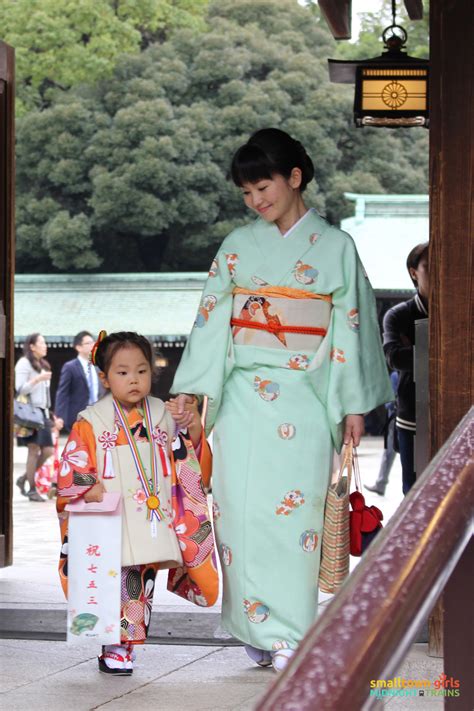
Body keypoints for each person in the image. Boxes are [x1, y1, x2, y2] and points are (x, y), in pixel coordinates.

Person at [170, 128, 393, 673]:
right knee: (241, 514)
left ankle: (291, 629)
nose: (255, 201)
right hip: (244, 397)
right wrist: (194, 393)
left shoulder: (337, 247)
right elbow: (211, 323)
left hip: (308, 397)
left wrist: (351, 406)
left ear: (295, 178)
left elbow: (349, 331)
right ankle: (253, 623)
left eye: (263, 186)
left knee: (296, 521)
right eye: (247, 193)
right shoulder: (237, 247)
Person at [56, 331, 217, 675]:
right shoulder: (92, 420)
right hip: (111, 517)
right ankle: (113, 644)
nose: (134, 379)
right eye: (123, 372)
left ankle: (125, 643)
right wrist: (87, 486)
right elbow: (72, 467)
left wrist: (194, 427)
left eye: (142, 371)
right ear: (105, 377)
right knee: (112, 577)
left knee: (139, 582)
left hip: (150, 516)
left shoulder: (162, 413)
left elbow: (189, 460)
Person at [382, 242, 429, 495]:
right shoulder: (398, 315)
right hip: (413, 416)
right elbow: (393, 357)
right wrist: (448, 351)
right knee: (415, 492)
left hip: (461, 415)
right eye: (428, 267)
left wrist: (418, 348)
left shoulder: (464, 311)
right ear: (414, 272)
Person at [15, 333, 64, 502]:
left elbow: (45, 397)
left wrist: (51, 416)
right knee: (33, 450)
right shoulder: (24, 363)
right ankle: (32, 490)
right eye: (42, 343)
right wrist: (37, 379)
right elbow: (20, 389)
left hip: (42, 414)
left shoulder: (43, 364)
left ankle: (23, 479)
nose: (45, 346)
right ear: (32, 346)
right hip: (29, 414)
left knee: (48, 451)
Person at [54, 331, 105, 431]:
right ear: (78, 347)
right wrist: (59, 417)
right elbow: (62, 393)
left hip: (99, 415)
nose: (92, 345)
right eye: (88, 343)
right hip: (78, 416)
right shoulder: (70, 367)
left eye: (93, 342)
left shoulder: (98, 367)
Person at [365, 370, 399, 496]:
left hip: (394, 419)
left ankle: (381, 483)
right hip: (402, 419)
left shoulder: (395, 376)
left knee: (389, 453)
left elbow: (390, 401)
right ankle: (381, 483)